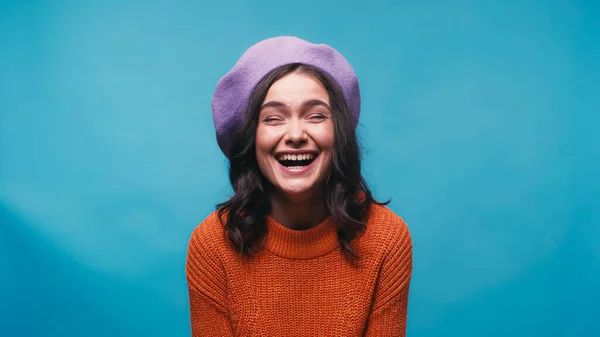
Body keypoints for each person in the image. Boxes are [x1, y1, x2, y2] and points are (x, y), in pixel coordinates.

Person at [185, 36, 413, 336]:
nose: (295, 134)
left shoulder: (386, 238)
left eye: (316, 115)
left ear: (339, 133)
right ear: (252, 139)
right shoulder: (212, 245)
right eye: (273, 118)